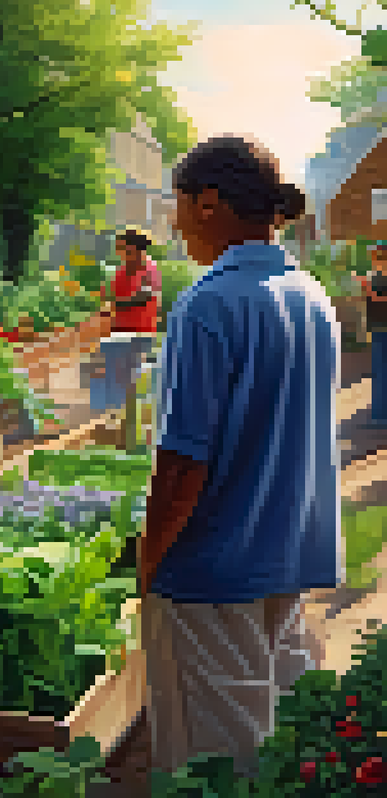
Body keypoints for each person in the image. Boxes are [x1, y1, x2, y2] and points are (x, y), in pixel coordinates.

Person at [143, 136, 336, 778]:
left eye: (176, 204)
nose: (172, 223)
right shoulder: (310, 296)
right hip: (288, 554)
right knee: (277, 731)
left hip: (212, 567)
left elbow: (182, 463)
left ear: (207, 204)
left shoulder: (207, 305)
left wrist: (147, 561)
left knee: (215, 758)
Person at [92, 227, 165, 412]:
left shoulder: (149, 268)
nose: (121, 253)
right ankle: (113, 416)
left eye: (125, 249)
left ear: (138, 249)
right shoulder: (121, 271)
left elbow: (145, 296)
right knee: (114, 376)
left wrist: (115, 304)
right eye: (120, 249)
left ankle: (132, 419)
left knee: (132, 377)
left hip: (141, 331)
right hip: (119, 330)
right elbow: (113, 299)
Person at [366, 243, 387, 426]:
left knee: (381, 372)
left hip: (382, 328)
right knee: (378, 372)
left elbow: (379, 299)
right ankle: (379, 413)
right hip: (377, 328)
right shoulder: (376, 276)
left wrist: (370, 291)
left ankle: (380, 415)